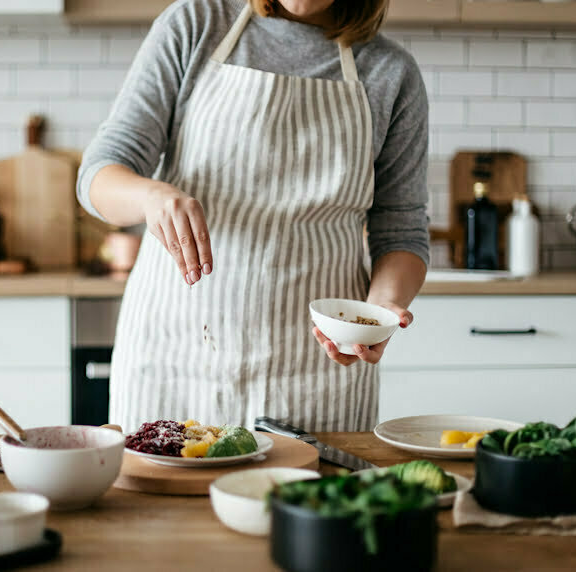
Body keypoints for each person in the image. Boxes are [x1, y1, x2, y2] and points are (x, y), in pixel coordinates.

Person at [77, 0, 429, 434]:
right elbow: (99, 175)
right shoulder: (196, 25)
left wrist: (377, 314)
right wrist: (150, 196)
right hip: (179, 357)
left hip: (318, 372)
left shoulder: (390, 71)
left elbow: (402, 230)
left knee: (308, 502)